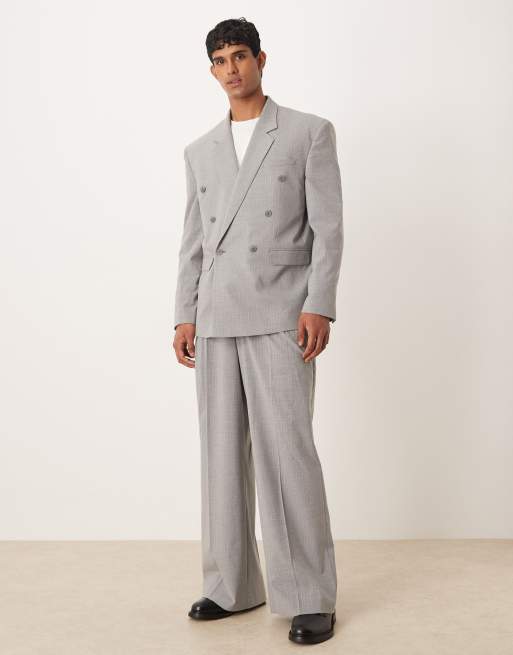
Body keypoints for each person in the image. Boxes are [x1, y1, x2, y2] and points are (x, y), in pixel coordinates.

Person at [172, 17, 343, 645]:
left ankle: (309, 595)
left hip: (281, 310)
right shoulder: (199, 151)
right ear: (212, 70)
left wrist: (319, 304)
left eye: (240, 56)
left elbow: (329, 228)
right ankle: (231, 586)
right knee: (220, 454)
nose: (231, 69)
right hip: (216, 315)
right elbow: (193, 241)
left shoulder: (307, 132)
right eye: (220, 61)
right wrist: (184, 312)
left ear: (261, 59)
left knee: (287, 454)